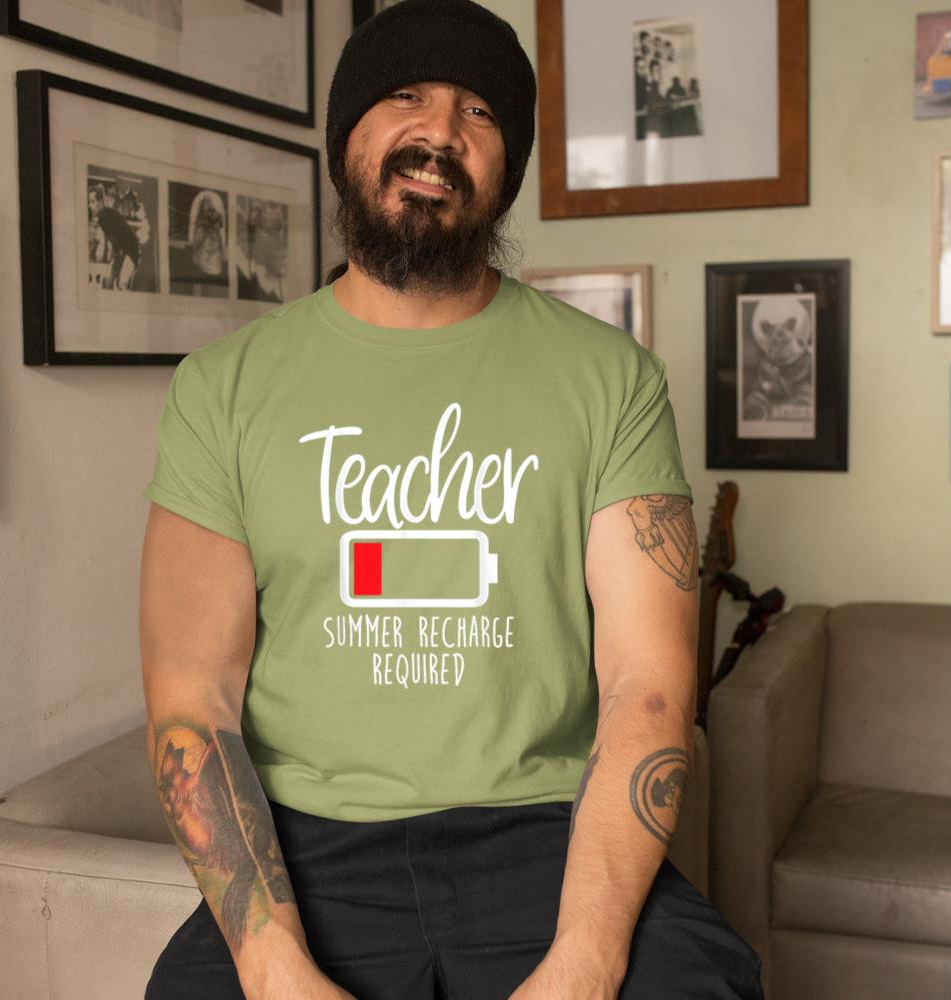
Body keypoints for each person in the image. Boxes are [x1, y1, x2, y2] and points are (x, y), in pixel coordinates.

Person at [139, 2, 764, 998]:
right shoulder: (222, 388)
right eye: (405, 97)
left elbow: (647, 685)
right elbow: (191, 700)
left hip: (546, 833)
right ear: (346, 138)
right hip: (307, 845)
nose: (439, 132)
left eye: (478, 111)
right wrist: (272, 966)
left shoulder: (612, 379)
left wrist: (586, 960)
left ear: (506, 169)